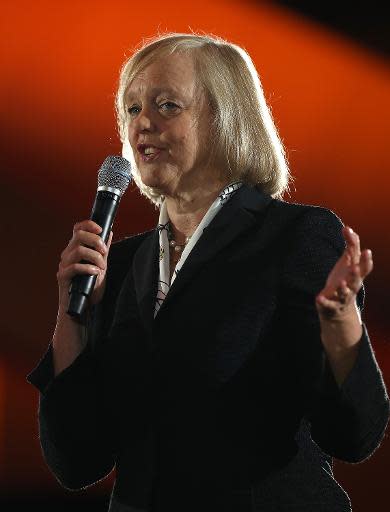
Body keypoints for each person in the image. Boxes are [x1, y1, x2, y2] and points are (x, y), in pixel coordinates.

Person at [27, 33, 389, 512]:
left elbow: (352, 436)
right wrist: (73, 316)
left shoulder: (295, 236)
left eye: (166, 105)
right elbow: (76, 461)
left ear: (225, 118)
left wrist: (342, 328)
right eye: (132, 110)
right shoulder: (121, 263)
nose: (142, 125)